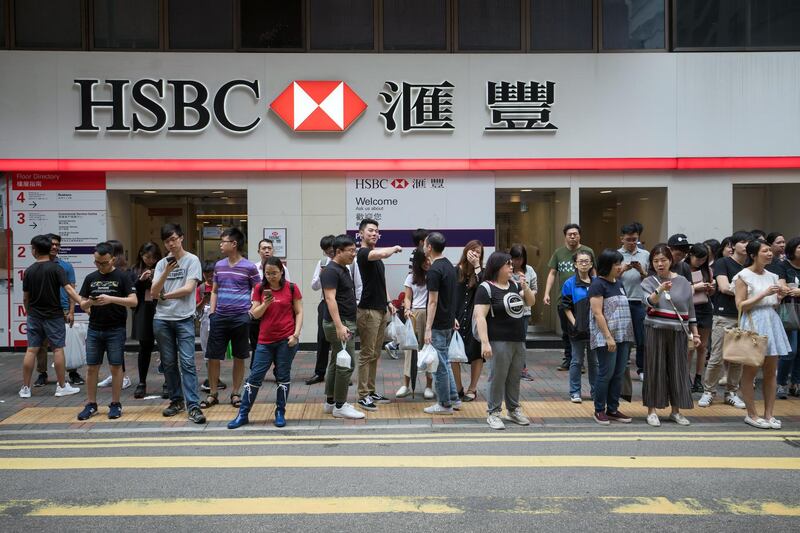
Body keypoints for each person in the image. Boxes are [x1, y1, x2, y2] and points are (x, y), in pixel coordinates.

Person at [228, 257, 303, 428]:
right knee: (255, 377)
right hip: (265, 341)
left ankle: (280, 413)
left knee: (283, 377)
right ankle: (243, 414)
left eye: (274, 273)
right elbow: (254, 314)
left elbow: (299, 312)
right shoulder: (259, 288)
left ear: (281, 271)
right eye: (268, 273)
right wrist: (265, 304)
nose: (271, 276)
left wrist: (296, 334)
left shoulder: (292, 288)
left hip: (286, 339)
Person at [150, 223, 206, 424]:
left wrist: (165, 295)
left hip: (184, 319)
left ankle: (193, 406)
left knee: (188, 362)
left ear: (181, 238)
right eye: (167, 241)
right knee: (169, 363)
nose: (171, 244)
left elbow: (189, 288)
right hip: (162, 320)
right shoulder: (161, 264)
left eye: (174, 239)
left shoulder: (192, 260)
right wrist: (165, 271)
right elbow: (154, 292)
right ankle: (176, 401)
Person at [76, 242, 138, 420]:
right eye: (97, 262)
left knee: (116, 366)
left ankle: (116, 403)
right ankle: (91, 404)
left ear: (113, 259)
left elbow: (133, 301)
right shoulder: (90, 278)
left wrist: (111, 298)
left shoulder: (123, 277)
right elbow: (83, 303)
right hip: (94, 328)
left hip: (116, 328)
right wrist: (91, 303)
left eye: (104, 262)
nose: (100, 266)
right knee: (91, 367)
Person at [734, 240, 792, 429]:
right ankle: (752, 414)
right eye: (765, 251)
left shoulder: (773, 275)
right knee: (750, 371)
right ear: (753, 255)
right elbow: (740, 305)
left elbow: (774, 303)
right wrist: (765, 293)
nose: (770, 254)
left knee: (770, 372)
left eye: (770, 251)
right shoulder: (743, 276)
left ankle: (768, 414)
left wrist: (779, 296)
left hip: (771, 321)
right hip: (753, 322)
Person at [474, 252, 536, 430]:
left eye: (511, 265)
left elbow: (530, 302)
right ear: (497, 267)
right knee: (497, 377)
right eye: (507, 264)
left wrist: (525, 286)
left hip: (517, 338)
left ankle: (513, 409)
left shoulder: (515, 285)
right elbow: (480, 317)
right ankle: (493, 412)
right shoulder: (486, 288)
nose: (511, 267)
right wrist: (485, 342)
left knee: (514, 376)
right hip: (498, 340)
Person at [641, 244, 700, 427]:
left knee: (678, 370)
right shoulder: (648, 282)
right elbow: (649, 303)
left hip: (678, 332)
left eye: (663, 260)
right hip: (655, 329)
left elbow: (690, 311)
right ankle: (652, 411)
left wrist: (695, 334)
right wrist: (660, 290)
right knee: (654, 369)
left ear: (671, 261)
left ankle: (676, 411)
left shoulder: (683, 281)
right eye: (656, 261)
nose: (660, 264)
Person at [201, 227, 260, 410]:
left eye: (223, 241)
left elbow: (258, 292)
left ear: (234, 244)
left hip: (240, 318)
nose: (220, 244)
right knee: (213, 356)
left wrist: (249, 313)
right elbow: (215, 291)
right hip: (219, 317)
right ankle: (213, 393)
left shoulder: (249, 267)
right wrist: (212, 313)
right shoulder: (219, 266)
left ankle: (235, 393)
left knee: (239, 356)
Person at [19, 235, 83, 398]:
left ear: (34, 250)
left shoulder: (29, 271)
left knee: (31, 350)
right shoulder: (57, 269)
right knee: (58, 349)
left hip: (34, 315)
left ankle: (25, 388)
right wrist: (82, 303)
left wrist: (29, 312)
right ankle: (61, 387)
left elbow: (26, 297)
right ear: (49, 249)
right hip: (54, 315)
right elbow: (69, 290)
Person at [698, 231, 752, 409]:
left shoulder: (750, 265)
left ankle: (732, 392)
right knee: (717, 356)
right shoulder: (723, 263)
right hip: (723, 316)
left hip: (744, 315)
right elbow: (723, 287)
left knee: (738, 358)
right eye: (742, 242)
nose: (746, 245)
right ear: (733, 245)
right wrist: (751, 292)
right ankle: (709, 392)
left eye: (748, 242)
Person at [355, 218, 402, 412]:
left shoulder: (377, 258)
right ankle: (362, 395)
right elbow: (382, 252)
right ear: (361, 234)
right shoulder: (364, 254)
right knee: (367, 354)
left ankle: (371, 390)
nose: (374, 234)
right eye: (370, 231)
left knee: (375, 353)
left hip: (381, 309)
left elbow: (381, 282)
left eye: (376, 231)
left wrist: (389, 302)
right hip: (368, 311)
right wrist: (395, 248)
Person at [588, 249, 635, 426]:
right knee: (606, 373)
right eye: (617, 264)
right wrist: (608, 337)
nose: (620, 267)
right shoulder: (597, 285)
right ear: (607, 266)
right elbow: (597, 313)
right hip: (606, 336)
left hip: (623, 335)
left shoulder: (619, 283)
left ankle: (613, 409)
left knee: (619, 373)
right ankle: (599, 409)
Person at [320, 234, 364, 419]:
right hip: (340, 323)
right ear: (338, 251)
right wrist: (339, 326)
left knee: (336, 362)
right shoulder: (331, 271)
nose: (354, 254)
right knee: (347, 364)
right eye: (351, 251)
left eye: (355, 250)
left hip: (344, 322)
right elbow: (329, 298)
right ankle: (340, 405)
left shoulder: (343, 268)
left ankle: (330, 402)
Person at [543, 224, 595, 371]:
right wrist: (547, 293)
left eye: (575, 234)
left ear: (580, 235)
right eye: (569, 234)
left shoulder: (587, 252)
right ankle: (569, 359)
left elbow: (594, 273)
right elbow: (552, 273)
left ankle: (580, 360)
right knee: (567, 331)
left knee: (584, 329)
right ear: (565, 236)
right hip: (564, 299)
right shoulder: (559, 253)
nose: (572, 236)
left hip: (584, 298)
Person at [422, 232, 461, 415]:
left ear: (429, 247)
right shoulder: (450, 267)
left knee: (438, 365)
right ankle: (453, 398)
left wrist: (428, 328)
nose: (423, 246)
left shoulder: (434, 270)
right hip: (447, 322)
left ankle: (444, 404)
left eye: (425, 244)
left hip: (438, 324)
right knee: (444, 361)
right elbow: (451, 296)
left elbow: (433, 301)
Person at [396, 249, 434, 398]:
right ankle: (406, 384)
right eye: (424, 260)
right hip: (414, 314)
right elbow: (407, 297)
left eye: (429, 259)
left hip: (430, 314)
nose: (427, 263)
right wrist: (407, 309)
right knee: (410, 350)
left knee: (429, 349)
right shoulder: (411, 277)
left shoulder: (434, 274)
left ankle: (429, 386)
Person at [561, 251, 597, 403]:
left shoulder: (597, 282)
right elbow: (566, 307)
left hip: (595, 329)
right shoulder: (569, 283)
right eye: (580, 261)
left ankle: (596, 392)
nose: (583, 264)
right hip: (577, 329)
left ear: (591, 264)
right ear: (575, 264)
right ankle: (575, 392)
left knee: (594, 361)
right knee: (576, 360)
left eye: (586, 261)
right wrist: (575, 322)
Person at [453, 240, 485, 401]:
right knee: (453, 354)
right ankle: (458, 388)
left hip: (475, 319)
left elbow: (485, 288)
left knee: (477, 354)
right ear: (465, 251)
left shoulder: (482, 273)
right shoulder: (454, 271)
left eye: (478, 252)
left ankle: (472, 388)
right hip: (457, 319)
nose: (475, 254)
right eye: (472, 250)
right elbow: (447, 296)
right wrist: (451, 316)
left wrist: (477, 266)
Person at [618, 223, 649, 381]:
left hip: (639, 301)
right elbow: (609, 278)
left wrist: (641, 271)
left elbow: (651, 280)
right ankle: (622, 366)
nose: (631, 242)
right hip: (621, 301)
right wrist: (622, 269)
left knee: (641, 337)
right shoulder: (616, 255)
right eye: (628, 239)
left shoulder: (645, 255)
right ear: (621, 238)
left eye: (635, 239)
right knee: (623, 337)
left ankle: (642, 368)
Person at [769, 236, 800, 398]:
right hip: (789, 310)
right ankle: (781, 383)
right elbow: (782, 287)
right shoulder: (783, 265)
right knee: (790, 350)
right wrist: (788, 289)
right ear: (792, 250)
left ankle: (796, 383)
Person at [131, 241, 162, 399]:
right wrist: (141, 280)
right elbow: (131, 292)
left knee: (166, 347)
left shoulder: (163, 267)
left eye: (153, 257)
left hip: (161, 308)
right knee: (144, 347)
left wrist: (157, 276)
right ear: (141, 255)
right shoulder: (135, 270)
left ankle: (168, 383)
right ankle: (142, 382)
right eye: (147, 257)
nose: (150, 260)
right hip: (144, 311)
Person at [306, 235, 336, 385]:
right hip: (325, 303)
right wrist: (321, 275)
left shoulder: (349, 262)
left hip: (342, 304)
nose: (329, 254)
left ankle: (342, 373)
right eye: (326, 252)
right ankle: (320, 373)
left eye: (331, 251)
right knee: (322, 339)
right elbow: (314, 286)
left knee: (343, 339)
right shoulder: (322, 263)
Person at [686, 243, 716, 392]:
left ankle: (698, 378)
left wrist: (710, 289)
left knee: (702, 346)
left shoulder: (707, 270)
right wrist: (695, 288)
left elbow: (711, 294)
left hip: (705, 308)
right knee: (690, 346)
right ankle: (686, 377)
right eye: (698, 259)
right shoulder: (683, 269)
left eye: (704, 259)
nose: (700, 262)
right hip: (689, 308)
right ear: (690, 255)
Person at [509, 244, 538, 381]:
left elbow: (534, 289)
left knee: (521, 340)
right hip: (509, 311)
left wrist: (526, 291)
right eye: (515, 259)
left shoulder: (530, 270)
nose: (517, 262)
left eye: (520, 259)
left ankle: (522, 368)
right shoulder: (506, 270)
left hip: (524, 311)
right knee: (509, 340)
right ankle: (511, 367)